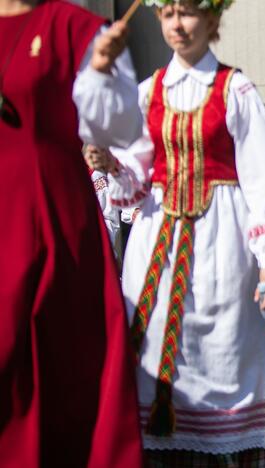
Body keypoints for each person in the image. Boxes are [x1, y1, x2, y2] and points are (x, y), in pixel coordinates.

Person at [95, 1, 265, 463]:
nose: (177, 25)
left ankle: (221, 446)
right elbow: (132, 182)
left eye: (187, 13)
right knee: (153, 345)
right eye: (168, 14)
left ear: (211, 20)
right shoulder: (148, 91)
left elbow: (263, 178)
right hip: (156, 242)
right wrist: (112, 164)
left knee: (221, 341)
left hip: (222, 242)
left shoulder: (236, 90)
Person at [1, 0, 143, 465]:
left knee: (57, 368)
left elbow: (121, 127)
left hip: (46, 213)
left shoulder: (75, 27)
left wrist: (100, 72)